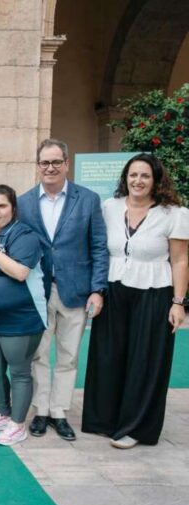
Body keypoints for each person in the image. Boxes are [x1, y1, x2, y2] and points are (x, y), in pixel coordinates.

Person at [82, 153, 188, 449]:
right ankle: (104, 420)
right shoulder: (110, 207)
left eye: (145, 176)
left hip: (154, 292)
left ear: (156, 181)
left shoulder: (174, 213)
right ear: (125, 178)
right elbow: (98, 249)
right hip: (114, 290)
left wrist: (178, 302)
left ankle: (135, 428)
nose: (138, 181)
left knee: (145, 359)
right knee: (108, 355)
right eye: (133, 175)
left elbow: (180, 260)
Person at [18, 139, 108, 441]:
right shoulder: (24, 202)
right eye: (45, 162)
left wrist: (98, 289)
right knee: (39, 354)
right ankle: (41, 410)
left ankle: (59, 412)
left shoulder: (88, 199)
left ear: (67, 164)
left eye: (56, 162)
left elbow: (99, 246)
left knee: (68, 355)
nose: (50, 167)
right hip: (38, 292)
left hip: (76, 291)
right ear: (37, 165)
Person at [0, 184, 47, 447]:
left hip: (21, 318)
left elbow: (20, 272)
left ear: (13, 209)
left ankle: (17, 425)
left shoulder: (24, 235)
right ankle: (3, 413)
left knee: (19, 371)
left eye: (2, 205)